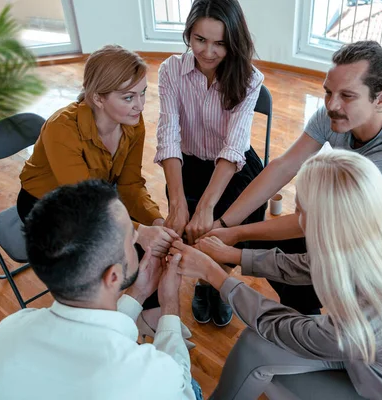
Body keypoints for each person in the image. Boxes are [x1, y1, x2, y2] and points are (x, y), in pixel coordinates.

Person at [170, 150, 382, 400]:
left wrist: (215, 275)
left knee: (264, 352)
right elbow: (309, 265)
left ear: (329, 224)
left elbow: (285, 328)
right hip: (381, 357)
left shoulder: (371, 317)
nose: (295, 219)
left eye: (300, 211)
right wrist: (234, 255)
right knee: (254, 344)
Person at [204, 40, 382, 314]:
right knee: (256, 241)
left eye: (347, 96)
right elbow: (284, 166)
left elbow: (315, 223)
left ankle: (301, 324)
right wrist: (225, 223)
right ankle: (243, 288)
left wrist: (234, 235)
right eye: (328, 92)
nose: (332, 105)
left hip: (377, 253)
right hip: (332, 224)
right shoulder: (336, 116)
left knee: (294, 277)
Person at [0, 180, 202, 400]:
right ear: (113, 276)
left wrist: (138, 294)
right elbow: (183, 388)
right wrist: (170, 303)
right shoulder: (142, 372)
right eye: (132, 238)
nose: (137, 239)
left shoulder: (11, 328)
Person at [154, 0, 266, 327]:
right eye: (200, 39)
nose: (209, 52)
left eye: (220, 43)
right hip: (187, 165)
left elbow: (234, 147)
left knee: (227, 232)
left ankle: (212, 282)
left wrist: (206, 206)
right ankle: (206, 279)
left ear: (233, 42)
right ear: (188, 33)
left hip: (232, 167)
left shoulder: (249, 78)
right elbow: (168, 135)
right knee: (190, 226)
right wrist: (177, 202)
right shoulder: (171, 70)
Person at [18, 44, 176, 259]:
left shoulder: (132, 123)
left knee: (144, 250)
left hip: (96, 196)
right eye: (128, 97)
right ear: (98, 98)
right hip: (47, 205)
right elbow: (85, 205)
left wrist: (156, 221)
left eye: (143, 93)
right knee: (117, 255)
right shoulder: (61, 129)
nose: (139, 105)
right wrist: (139, 232)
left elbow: (130, 185)